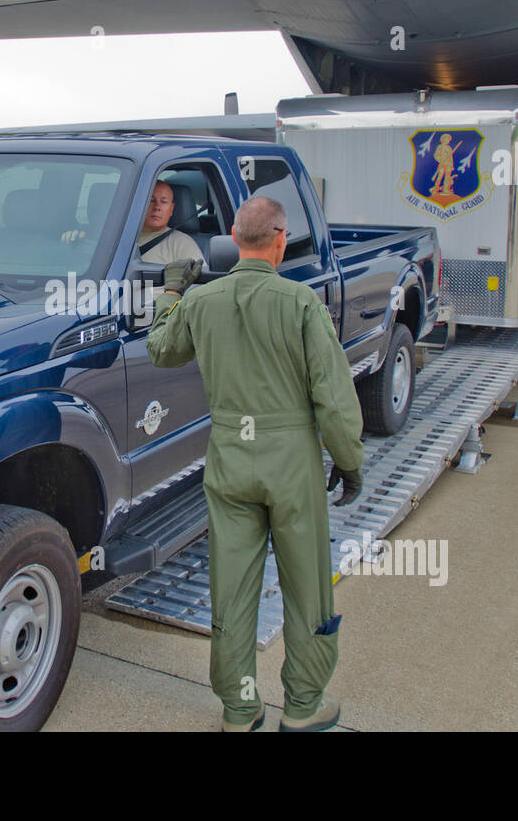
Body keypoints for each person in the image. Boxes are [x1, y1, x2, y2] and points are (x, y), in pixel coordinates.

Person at [146, 195, 365, 732]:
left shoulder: (200, 301)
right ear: (280, 239)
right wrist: (349, 460)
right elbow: (332, 398)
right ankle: (303, 706)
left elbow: (161, 349)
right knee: (307, 584)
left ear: (234, 241)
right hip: (290, 460)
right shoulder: (301, 303)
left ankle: (241, 709)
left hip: (228, 457)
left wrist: (172, 290)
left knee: (233, 585)